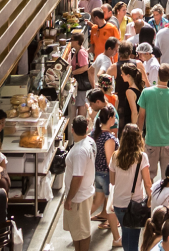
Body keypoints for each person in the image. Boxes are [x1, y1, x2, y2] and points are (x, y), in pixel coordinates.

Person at [110, 125, 153, 251]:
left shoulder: (115, 156)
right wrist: (151, 199)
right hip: (135, 204)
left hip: (118, 203)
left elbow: (112, 181)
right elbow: (147, 183)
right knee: (133, 239)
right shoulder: (141, 157)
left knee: (125, 233)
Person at [139, 64, 169, 175]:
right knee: (167, 175)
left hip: (151, 140)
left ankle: (150, 193)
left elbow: (141, 117)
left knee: (149, 174)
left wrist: (139, 136)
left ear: (158, 74)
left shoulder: (146, 93)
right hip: (168, 141)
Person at [63, 115, 97, 250]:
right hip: (85, 193)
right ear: (87, 129)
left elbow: (77, 177)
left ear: (72, 129)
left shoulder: (79, 152)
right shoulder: (90, 142)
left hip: (78, 198)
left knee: (83, 232)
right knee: (78, 232)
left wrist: (69, 198)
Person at [92, 107, 119, 230]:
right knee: (110, 202)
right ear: (109, 118)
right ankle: (112, 224)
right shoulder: (109, 138)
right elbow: (110, 161)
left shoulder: (95, 134)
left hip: (97, 172)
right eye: (113, 117)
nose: (115, 119)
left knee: (97, 201)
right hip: (106, 174)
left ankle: (81, 218)